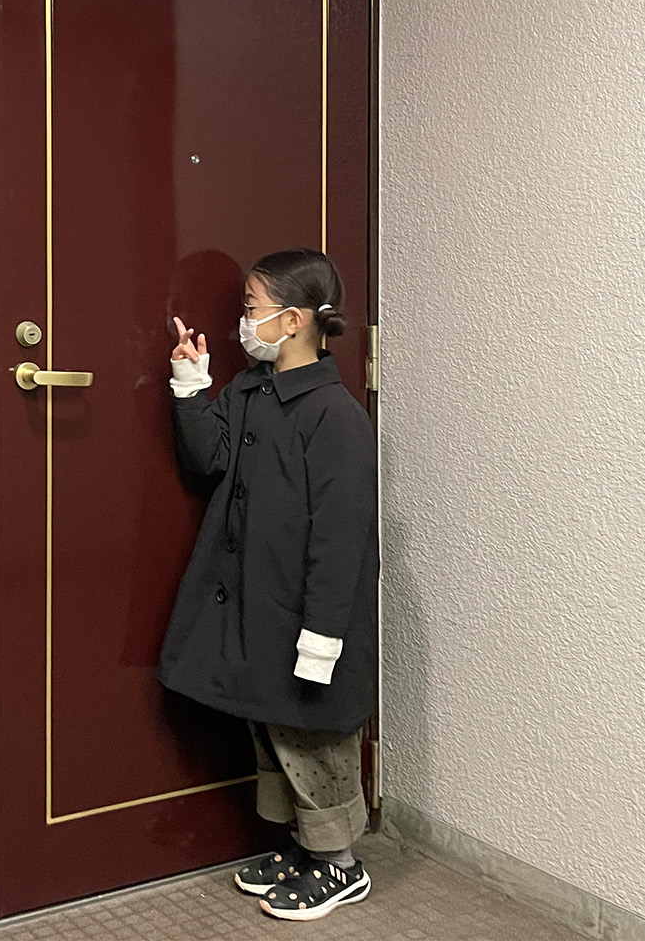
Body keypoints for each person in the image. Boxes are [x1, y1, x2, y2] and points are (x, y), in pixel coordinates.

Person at [160, 247, 380, 923]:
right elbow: (210, 459)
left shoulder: (334, 416)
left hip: (305, 610)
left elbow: (340, 540)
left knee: (314, 735)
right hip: (257, 600)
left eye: (252, 309)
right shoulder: (252, 391)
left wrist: (322, 635)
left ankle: (341, 864)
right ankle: (304, 849)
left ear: (293, 320)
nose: (242, 322)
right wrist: (192, 382)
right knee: (274, 725)